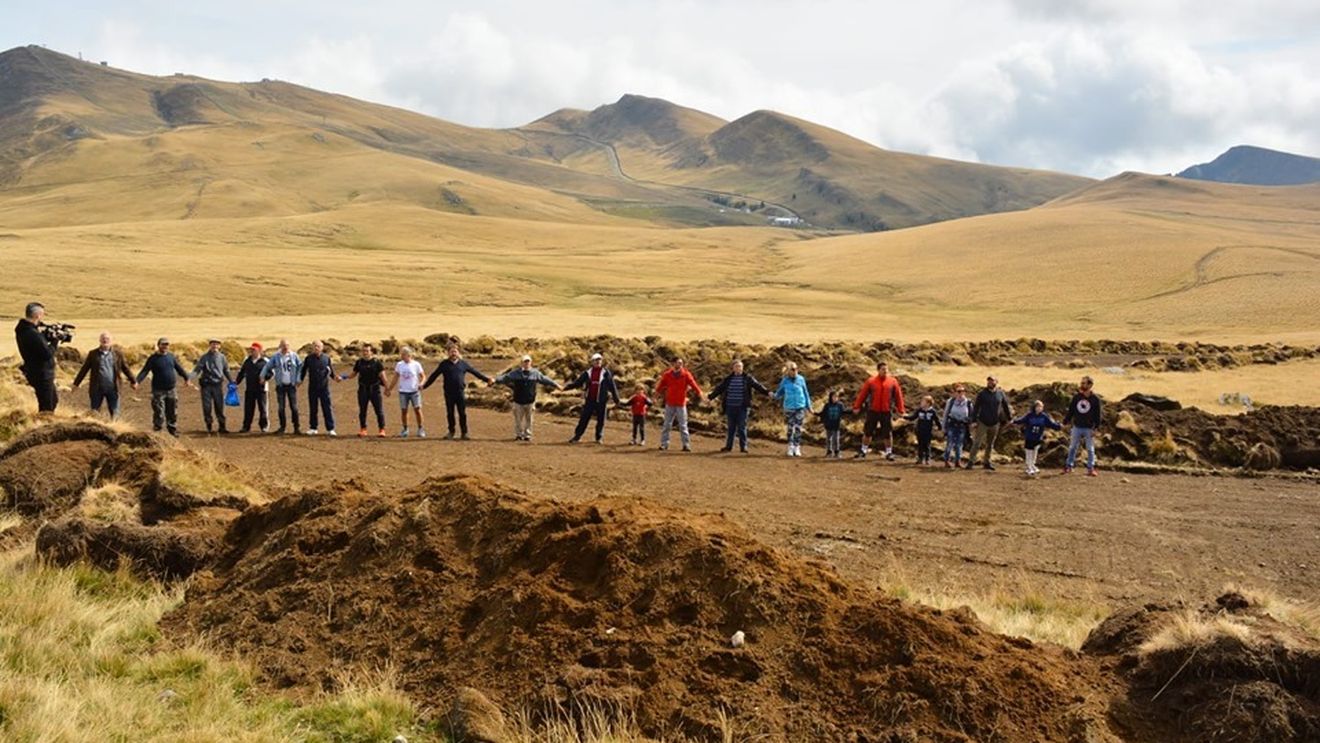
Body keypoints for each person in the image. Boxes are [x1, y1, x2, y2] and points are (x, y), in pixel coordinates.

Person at [421, 344, 492, 440]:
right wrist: (424, 386)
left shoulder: (463, 364)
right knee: (450, 413)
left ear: (458, 353)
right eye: (451, 352)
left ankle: (464, 433)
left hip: (460, 392)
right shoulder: (444, 364)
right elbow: (434, 376)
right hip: (449, 393)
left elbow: (475, 373)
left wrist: (487, 379)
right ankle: (451, 432)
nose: (453, 353)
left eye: (455, 351)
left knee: (462, 413)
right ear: (448, 353)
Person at [708, 359, 770, 453]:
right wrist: (710, 397)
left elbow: (758, 386)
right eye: (736, 366)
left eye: (740, 366)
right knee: (731, 427)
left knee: (742, 427)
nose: (739, 368)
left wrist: (767, 392)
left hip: (743, 407)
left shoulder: (748, 378)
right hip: (730, 406)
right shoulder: (728, 379)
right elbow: (719, 389)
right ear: (733, 368)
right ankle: (728, 446)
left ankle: (743, 447)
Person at [493, 355, 560, 441]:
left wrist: (556, 385)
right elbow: (505, 378)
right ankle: (519, 434)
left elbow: (544, 379)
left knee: (529, 419)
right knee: (518, 420)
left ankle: (527, 435)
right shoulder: (515, 373)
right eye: (525, 362)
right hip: (518, 400)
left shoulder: (535, 373)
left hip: (530, 401)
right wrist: (495, 380)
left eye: (528, 362)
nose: (526, 363)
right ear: (521, 363)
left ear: (531, 363)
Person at [72, 331, 136, 419]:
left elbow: (125, 368)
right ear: (99, 340)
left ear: (111, 341)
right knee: (94, 412)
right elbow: (84, 369)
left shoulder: (117, 354)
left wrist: (133, 381)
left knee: (115, 412)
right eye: (103, 339)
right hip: (97, 389)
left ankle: (115, 428)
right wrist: (76, 384)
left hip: (113, 388)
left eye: (107, 339)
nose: (105, 340)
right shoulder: (93, 354)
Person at [135, 338, 191, 436]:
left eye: (167, 345)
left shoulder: (171, 357)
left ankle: (172, 429)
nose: (165, 346)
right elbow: (145, 371)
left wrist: (187, 378)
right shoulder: (153, 358)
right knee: (158, 412)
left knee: (172, 411)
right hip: (158, 390)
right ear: (159, 345)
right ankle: (158, 430)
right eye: (163, 344)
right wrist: (137, 382)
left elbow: (179, 369)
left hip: (171, 389)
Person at [853, 361, 906, 460]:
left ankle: (889, 452)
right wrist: (857, 406)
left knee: (887, 433)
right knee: (868, 431)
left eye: (886, 369)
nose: (885, 371)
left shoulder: (892, 382)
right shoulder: (871, 381)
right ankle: (863, 450)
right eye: (883, 369)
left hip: (886, 411)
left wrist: (901, 409)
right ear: (878, 370)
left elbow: (898, 396)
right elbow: (862, 395)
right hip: (873, 410)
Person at [564, 353, 621, 444]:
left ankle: (598, 438)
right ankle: (577, 436)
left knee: (601, 420)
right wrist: (566, 388)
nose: (598, 362)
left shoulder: (606, 373)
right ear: (592, 362)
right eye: (596, 360)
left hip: (601, 400)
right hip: (590, 399)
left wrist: (616, 399)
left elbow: (612, 386)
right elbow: (578, 382)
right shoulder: (588, 373)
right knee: (584, 418)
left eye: (599, 360)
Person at [14, 302, 59, 412]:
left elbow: (37, 346)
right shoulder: (31, 333)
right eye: (42, 314)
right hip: (41, 373)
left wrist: (44, 337)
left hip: (36, 371)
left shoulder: (24, 329)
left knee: (53, 400)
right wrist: (55, 341)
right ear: (37, 315)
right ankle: (44, 425)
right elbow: (47, 354)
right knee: (47, 405)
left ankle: (44, 423)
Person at [654, 358, 704, 452]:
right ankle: (664, 444)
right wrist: (656, 396)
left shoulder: (685, 374)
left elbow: (693, 384)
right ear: (673, 364)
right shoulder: (667, 375)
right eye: (678, 363)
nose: (680, 364)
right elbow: (660, 386)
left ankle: (686, 445)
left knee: (683, 425)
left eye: (681, 363)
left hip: (681, 404)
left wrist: (700, 393)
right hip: (670, 403)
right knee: (667, 425)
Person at [967, 375, 1013, 470]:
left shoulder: (1000, 393)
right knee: (977, 442)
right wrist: (974, 420)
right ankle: (971, 461)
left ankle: (987, 462)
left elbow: (1005, 406)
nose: (990, 383)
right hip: (982, 422)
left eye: (992, 381)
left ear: (996, 382)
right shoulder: (982, 394)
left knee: (990, 444)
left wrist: (1009, 418)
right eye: (988, 381)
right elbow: (976, 408)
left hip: (995, 422)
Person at [190, 338, 234, 435]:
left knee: (219, 406)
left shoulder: (222, 357)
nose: (214, 346)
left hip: (217, 385)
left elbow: (226, 370)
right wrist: (189, 378)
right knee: (207, 407)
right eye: (213, 344)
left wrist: (231, 381)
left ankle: (222, 427)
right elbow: (197, 370)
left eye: (217, 344)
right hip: (206, 385)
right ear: (209, 345)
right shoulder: (204, 357)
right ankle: (209, 427)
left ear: (219, 346)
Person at [343, 343, 388, 437]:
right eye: (363, 351)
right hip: (363, 390)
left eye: (367, 351)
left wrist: (387, 388)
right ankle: (363, 429)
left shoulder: (376, 362)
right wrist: (343, 377)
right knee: (362, 410)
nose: (365, 353)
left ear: (371, 352)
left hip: (375, 390)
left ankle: (382, 429)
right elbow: (353, 374)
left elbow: (383, 376)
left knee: (379, 410)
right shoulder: (359, 362)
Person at [1063, 376, 1103, 476]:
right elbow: (1071, 411)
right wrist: (1065, 422)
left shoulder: (1095, 399)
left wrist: (1096, 428)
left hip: (1089, 428)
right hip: (1077, 426)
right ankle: (1069, 466)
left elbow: (1098, 415)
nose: (1082, 385)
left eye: (1084, 383)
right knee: (1072, 447)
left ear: (1090, 385)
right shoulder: (1076, 398)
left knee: (1090, 449)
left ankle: (1090, 468)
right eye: (1081, 383)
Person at [262, 339, 302, 434]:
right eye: (284, 345)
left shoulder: (294, 356)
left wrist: (298, 378)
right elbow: (267, 366)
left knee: (294, 407)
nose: (286, 347)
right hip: (280, 385)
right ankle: (282, 427)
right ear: (280, 346)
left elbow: (300, 366)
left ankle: (296, 427)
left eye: (287, 345)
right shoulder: (276, 357)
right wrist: (262, 376)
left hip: (291, 385)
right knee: (281, 407)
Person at [384, 346, 426, 438]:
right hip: (403, 391)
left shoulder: (416, 364)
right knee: (404, 410)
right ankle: (405, 429)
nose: (402, 356)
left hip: (414, 391)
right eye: (401, 354)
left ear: (409, 355)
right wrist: (389, 389)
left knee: (417, 409)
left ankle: (420, 428)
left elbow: (423, 376)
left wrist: (421, 383)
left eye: (403, 354)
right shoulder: (399, 365)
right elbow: (395, 377)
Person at [1013, 400, 1062, 476]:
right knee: (1029, 451)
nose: (1039, 408)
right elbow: (1021, 420)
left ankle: (1033, 465)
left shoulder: (1044, 416)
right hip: (1029, 437)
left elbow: (1051, 424)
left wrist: (1058, 426)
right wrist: (1014, 421)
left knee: (1035, 451)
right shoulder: (1029, 415)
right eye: (1038, 407)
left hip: (1038, 437)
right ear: (1034, 407)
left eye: (1041, 407)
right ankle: (1028, 466)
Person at [300, 340, 338, 436]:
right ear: (312, 348)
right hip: (312, 387)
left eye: (318, 346)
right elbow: (303, 371)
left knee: (327, 408)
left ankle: (330, 429)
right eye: (315, 346)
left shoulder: (326, 358)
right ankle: (313, 428)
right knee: (313, 408)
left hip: (324, 388)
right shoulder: (308, 359)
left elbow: (331, 372)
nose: (316, 348)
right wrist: (299, 381)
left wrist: (336, 378)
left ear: (322, 348)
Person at [774, 362, 811, 457]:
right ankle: (790, 446)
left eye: (796, 369)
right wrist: (773, 396)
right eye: (793, 369)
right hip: (789, 407)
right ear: (788, 371)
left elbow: (805, 392)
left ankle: (797, 446)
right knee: (790, 427)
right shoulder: (785, 381)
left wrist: (809, 406)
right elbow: (779, 392)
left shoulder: (801, 379)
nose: (795, 371)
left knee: (798, 427)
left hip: (800, 406)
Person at [234, 343, 269, 433]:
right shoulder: (247, 361)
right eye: (251, 350)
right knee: (248, 409)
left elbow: (271, 373)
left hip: (261, 389)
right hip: (249, 389)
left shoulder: (265, 361)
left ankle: (263, 426)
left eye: (254, 350)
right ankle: (246, 426)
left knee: (263, 408)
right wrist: (236, 382)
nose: (252, 351)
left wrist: (265, 378)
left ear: (259, 351)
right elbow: (242, 373)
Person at [904, 395, 943, 465]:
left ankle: (928, 459)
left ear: (928, 403)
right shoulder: (919, 410)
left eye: (923, 402)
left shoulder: (932, 411)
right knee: (920, 445)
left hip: (928, 431)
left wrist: (940, 427)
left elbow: (937, 420)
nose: (921, 403)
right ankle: (920, 458)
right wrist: (905, 417)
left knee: (927, 445)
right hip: (919, 430)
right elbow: (913, 417)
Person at [942, 384, 973, 469]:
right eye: (959, 391)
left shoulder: (968, 403)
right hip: (952, 425)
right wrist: (943, 427)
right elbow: (945, 414)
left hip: (962, 426)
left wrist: (971, 426)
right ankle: (947, 460)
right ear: (955, 393)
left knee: (959, 445)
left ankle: (957, 461)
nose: (961, 393)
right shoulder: (951, 402)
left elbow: (971, 415)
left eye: (963, 391)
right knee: (950, 444)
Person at [816, 389, 847, 458]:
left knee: (836, 439)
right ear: (830, 397)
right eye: (833, 396)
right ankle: (829, 451)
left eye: (836, 397)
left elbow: (844, 412)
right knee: (828, 439)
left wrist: (853, 410)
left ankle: (837, 452)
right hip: (828, 424)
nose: (835, 398)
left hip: (836, 424)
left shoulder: (840, 405)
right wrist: (815, 413)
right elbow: (822, 413)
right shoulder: (827, 405)